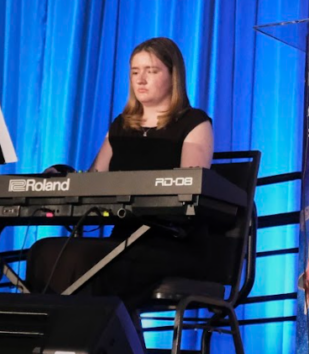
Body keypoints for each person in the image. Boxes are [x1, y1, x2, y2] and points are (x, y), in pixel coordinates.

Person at [27, 37, 214, 310]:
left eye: (151, 71)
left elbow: (186, 193)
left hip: (172, 244)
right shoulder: (121, 125)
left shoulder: (194, 123)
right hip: (123, 240)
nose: (141, 80)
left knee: (79, 260)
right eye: (135, 72)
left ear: (174, 75)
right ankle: (53, 341)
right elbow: (93, 181)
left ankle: (85, 342)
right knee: (44, 251)